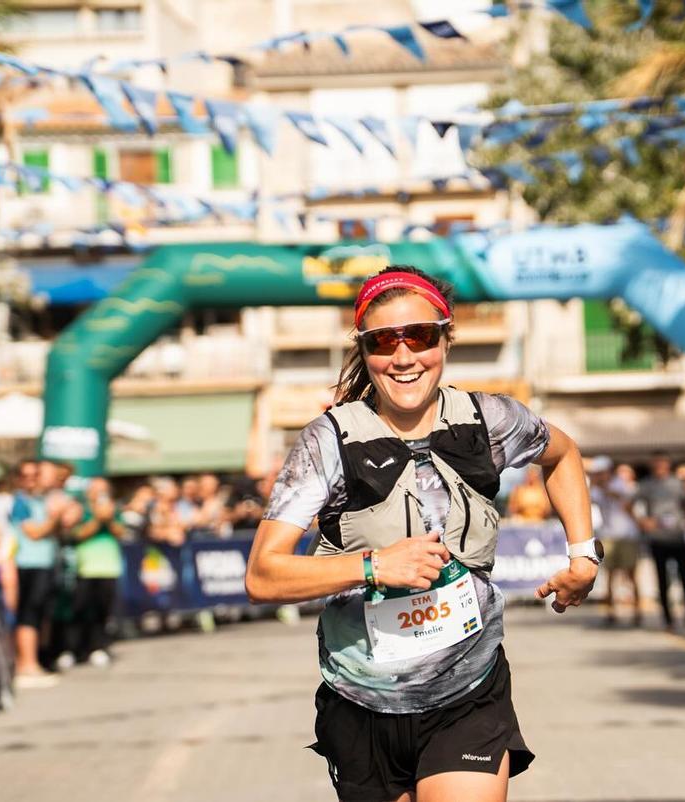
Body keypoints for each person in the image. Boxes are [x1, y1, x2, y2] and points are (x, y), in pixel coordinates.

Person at [245, 266, 597, 802]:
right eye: (384, 340)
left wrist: (583, 556)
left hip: (468, 693)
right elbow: (263, 575)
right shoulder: (328, 442)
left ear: (446, 337)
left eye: (421, 336)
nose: (404, 356)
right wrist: (373, 566)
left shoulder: (488, 420)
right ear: (363, 349)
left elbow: (563, 453)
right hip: (362, 700)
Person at [9, 460, 62, 687]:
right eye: (26, 475)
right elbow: (34, 532)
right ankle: (26, 664)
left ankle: (36, 660)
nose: (32, 479)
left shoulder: (42, 500)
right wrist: (56, 517)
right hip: (27, 564)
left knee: (40, 614)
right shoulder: (20, 502)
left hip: (45, 563)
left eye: (35, 475)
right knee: (28, 615)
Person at [633, 452, 685, 628]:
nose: (660, 466)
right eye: (657, 463)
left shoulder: (677, 484)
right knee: (662, 579)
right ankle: (668, 618)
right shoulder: (646, 485)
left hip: (677, 535)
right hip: (658, 538)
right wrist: (643, 521)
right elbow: (632, 504)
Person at [66, 477, 124, 667]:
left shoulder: (113, 510)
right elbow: (78, 534)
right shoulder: (80, 510)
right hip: (85, 567)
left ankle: (98, 647)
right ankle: (74, 649)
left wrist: (109, 519)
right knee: (80, 610)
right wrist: (98, 519)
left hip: (108, 567)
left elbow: (121, 532)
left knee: (102, 611)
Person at [590, 458, 641, 625]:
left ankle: (637, 611)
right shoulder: (596, 489)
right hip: (609, 536)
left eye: (602, 472)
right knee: (610, 575)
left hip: (627, 535)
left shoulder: (621, 482)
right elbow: (587, 499)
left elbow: (622, 497)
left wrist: (601, 486)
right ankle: (610, 612)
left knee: (631, 575)